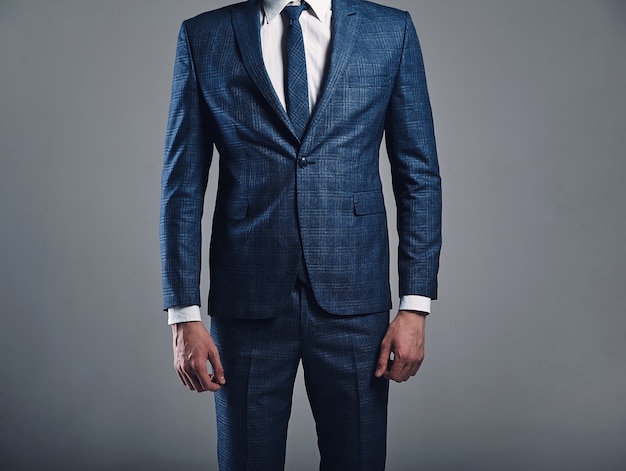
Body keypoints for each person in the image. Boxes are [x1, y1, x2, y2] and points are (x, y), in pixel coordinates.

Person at [160, 0, 441, 469]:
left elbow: (419, 175)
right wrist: (182, 315)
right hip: (246, 300)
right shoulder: (203, 36)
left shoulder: (390, 31)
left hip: (355, 301)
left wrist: (415, 306)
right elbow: (182, 188)